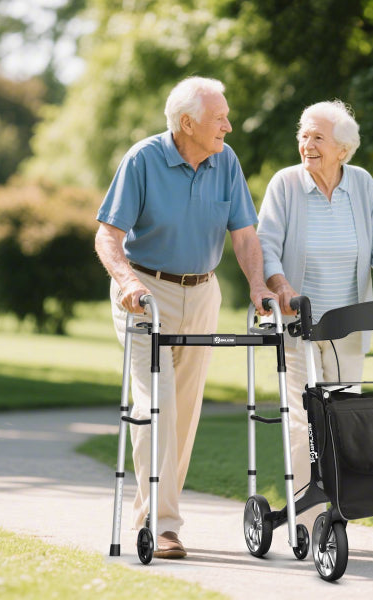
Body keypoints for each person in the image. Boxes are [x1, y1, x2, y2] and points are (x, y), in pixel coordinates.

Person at [95, 76, 278, 560]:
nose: (228, 126)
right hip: (145, 292)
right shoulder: (143, 160)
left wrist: (258, 285)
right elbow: (108, 236)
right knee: (155, 403)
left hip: (201, 293)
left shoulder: (226, 161)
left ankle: (154, 515)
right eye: (220, 118)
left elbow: (244, 235)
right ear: (187, 123)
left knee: (184, 411)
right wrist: (126, 282)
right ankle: (162, 524)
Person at [255, 100, 373, 533]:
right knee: (303, 423)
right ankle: (310, 522)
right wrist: (281, 287)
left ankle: (338, 510)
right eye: (303, 135)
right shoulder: (286, 185)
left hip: (346, 328)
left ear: (342, 149)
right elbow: (266, 245)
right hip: (297, 326)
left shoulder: (361, 185)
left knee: (344, 422)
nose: (307, 144)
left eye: (317, 137)